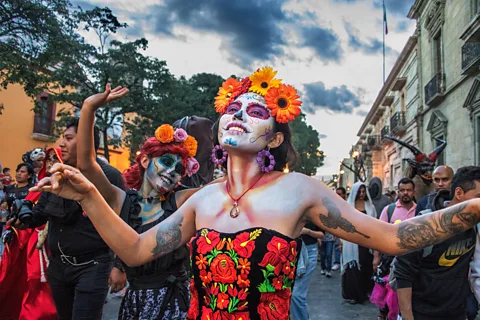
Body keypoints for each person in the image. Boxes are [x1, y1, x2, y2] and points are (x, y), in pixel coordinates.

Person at [30, 68, 480, 319]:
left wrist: (473, 207)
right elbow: (134, 250)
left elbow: (394, 239)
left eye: (257, 109)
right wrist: (90, 196)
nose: (239, 115)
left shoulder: (300, 190)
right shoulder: (201, 200)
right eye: (233, 108)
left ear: (275, 139)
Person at [76, 85, 214, 319]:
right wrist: (89, 107)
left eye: (179, 169)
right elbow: (87, 166)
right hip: (135, 303)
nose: (172, 172)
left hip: (174, 303)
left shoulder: (182, 200)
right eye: (166, 161)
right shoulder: (121, 200)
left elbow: (218, 189)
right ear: (144, 161)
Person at [10, 118, 125, 320]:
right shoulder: (56, 173)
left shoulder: (109, 177)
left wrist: (120, 267)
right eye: (63, 137)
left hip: (92, 266)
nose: (61, 143)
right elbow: (41, 214)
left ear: (88, 142)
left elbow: (125, 225)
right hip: (58, 267)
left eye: (69, 138)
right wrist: (23, 219)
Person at [394, 166, 480, 320]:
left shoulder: (474, 226)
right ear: (459, 193)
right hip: (422, 313)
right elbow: (403, 273)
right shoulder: (424, 226)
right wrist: (407, 316)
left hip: (457, 313)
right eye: (478, 196)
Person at [0, 148, 62, 320]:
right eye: (48, 159)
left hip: (56, 244)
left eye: (54, 158)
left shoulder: (72, 187)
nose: (50, 162)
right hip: (32, 242)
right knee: (31, 279)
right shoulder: (38, 187)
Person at [371, 178, 417, 320]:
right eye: (402, 190)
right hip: (390, 258)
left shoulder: (420, 209)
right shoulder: (389, 210)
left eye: (408, 190)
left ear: (413, 191)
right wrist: (376, 257)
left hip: (412, 259)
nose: (405, 193)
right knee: (387, 291)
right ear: (398, 191)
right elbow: (379, 234)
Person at [341, 182, 377, 304]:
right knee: (353, 267)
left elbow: (375, 223)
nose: (362, 194)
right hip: (352, 241)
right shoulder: (348, 206)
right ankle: (354, 294)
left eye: (363, 192)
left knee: (366, 265)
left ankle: (365, 292)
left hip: (366, 241)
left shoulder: (370, 207)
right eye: (359, 192)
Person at [290, 222, 323, 319]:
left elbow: (322, 235)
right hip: (289, 251)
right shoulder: (289, 211)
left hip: (309, 252)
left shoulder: (313, 212)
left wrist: (307, 231)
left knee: (297, 294)